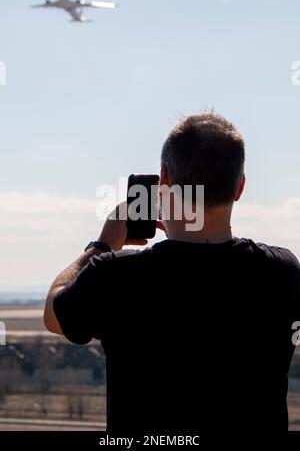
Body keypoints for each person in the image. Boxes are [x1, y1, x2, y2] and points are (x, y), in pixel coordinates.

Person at [44, 112, 300, 435]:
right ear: (240, 186)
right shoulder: (282, 273)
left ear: (163, 179)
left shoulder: (116, 279)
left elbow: (53, 312)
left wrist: (102, 245)